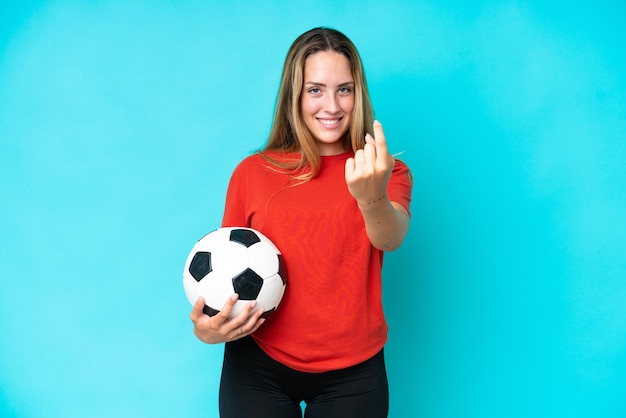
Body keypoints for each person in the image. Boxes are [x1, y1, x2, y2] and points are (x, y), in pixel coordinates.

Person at [189, 27, 412, 418]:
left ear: (358, 93)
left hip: (354, 372)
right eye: (315, 90)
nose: (332, 105)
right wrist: (206, 329)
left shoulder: (382, 171)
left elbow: (390, 237)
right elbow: (222, 272)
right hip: (257, 366)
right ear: (295, 94)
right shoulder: (252, 173)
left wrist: (369, 195)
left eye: (344, 89)